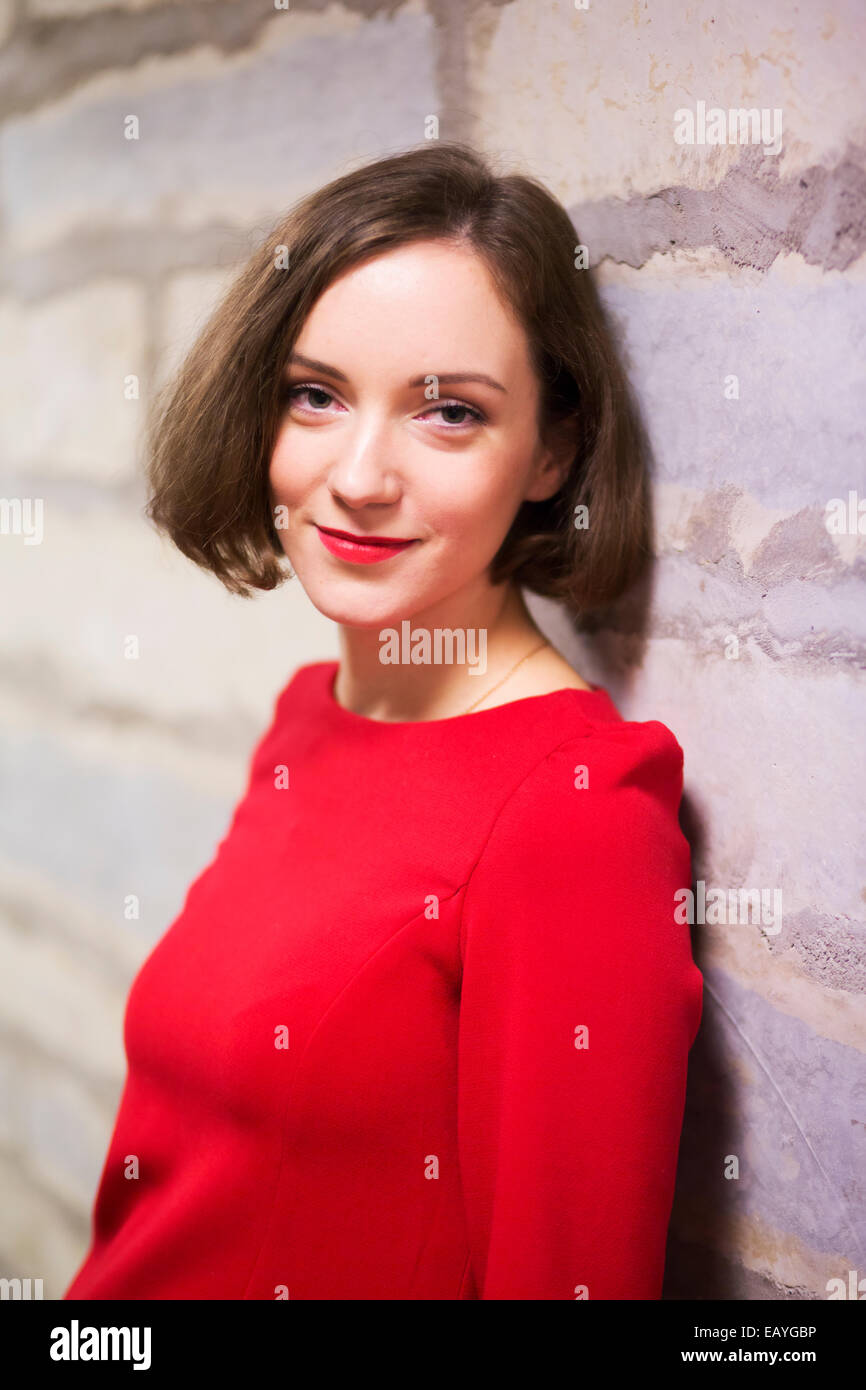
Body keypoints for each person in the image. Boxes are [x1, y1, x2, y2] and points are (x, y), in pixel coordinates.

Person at [63, 142, 702, 1301]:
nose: (357, 475)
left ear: (551, 451)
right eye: (313, 395)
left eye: (448, 413)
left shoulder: (572, 815)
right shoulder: (311, 718)